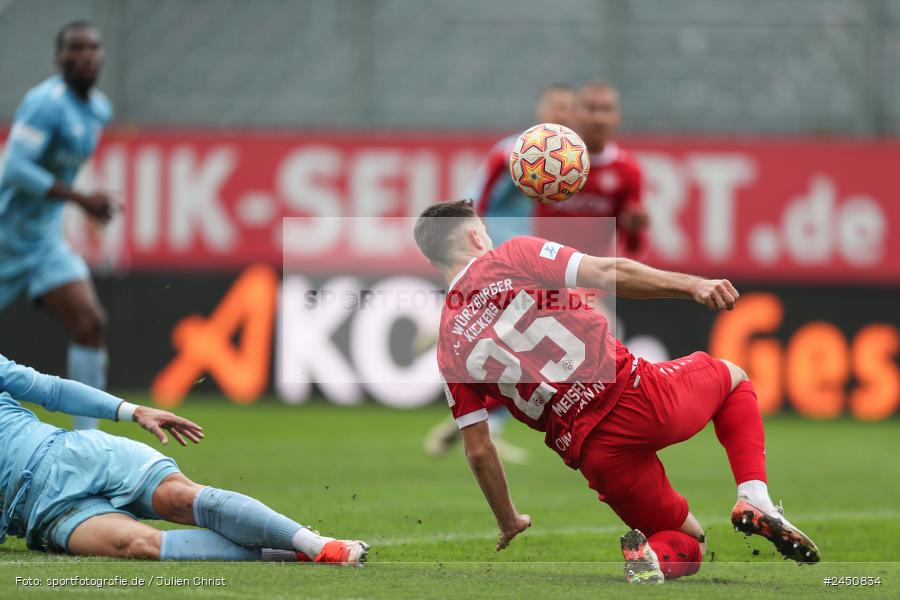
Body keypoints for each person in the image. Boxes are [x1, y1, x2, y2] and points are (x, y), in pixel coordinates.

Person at [413, 200, 819, 584]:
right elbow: (608, 273)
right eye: (483, 229)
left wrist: (508, 519)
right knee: (733, 379)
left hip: (593, 452)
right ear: (474, 237)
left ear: (433, 262)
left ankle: (650, 559)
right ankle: (754, 496)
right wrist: (692, 286)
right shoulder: (512, 255)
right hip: (635, 396)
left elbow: (479, 449)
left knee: (688, 543)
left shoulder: (449, 343)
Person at [0, 352, 369, 563]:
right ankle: (295, 554)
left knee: (179, 498)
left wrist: (132, 410)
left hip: (73, 454)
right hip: (42, 515)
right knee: (138, 546)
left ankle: (316, 543)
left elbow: (48, 389)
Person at [423, 84, 576, 461]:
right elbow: (476, 203)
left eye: (566, 108)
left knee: (526, 348)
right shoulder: (515, 152)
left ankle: (485, 422)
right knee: (533, 342)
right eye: (554, 106)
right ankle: (481, 417)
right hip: (504, 259)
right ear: (541, 109)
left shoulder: (571, 160)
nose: (560, 113)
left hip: (531, 258)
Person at [0, 22, 118, 430]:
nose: (86, 55)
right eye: (75, 48)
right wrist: (81, 199)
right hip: (4, 239)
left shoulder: (99, 109)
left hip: (43, 243)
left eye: (93, 48)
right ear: (58, 58)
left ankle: (88, 442)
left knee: (91, 323)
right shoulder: (44, 103)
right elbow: (14, 167)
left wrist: (83, 206)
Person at [535, 81, 648, 258]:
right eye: (591, 109)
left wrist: (635, 229)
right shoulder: (549, 158)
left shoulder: (628, 170)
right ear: (574, 114)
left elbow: (633, 246)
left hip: (591, 276)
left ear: (617, 117)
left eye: (606, 110)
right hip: (544, 271)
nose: (598, 119)